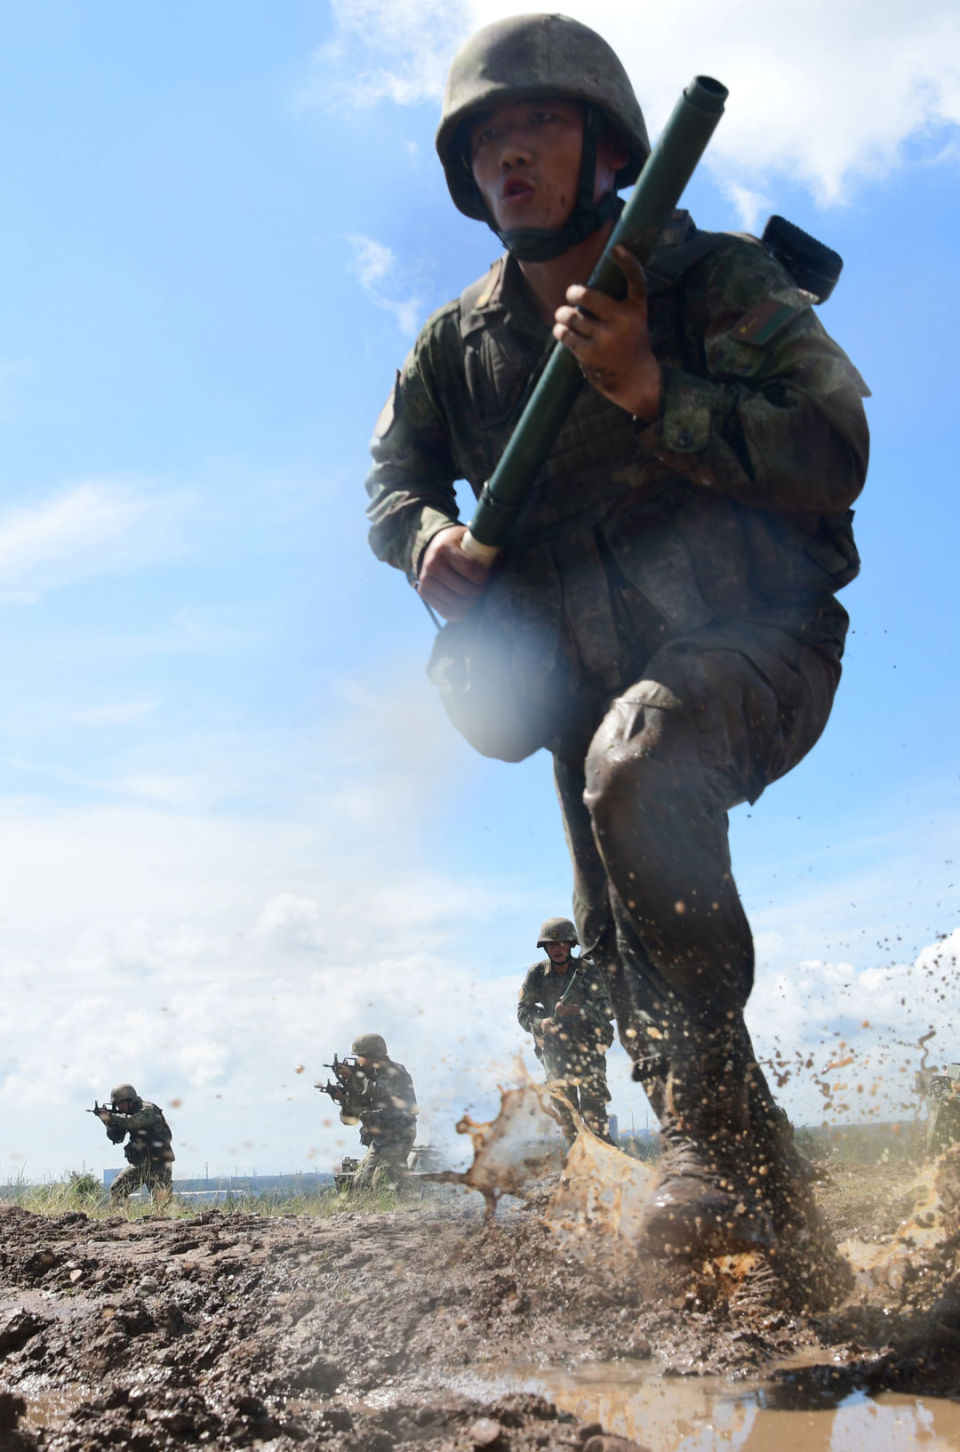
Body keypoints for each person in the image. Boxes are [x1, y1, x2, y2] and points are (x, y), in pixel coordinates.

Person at [365, 13, 868, 1286]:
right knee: (639, 964)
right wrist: (427, 543)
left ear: (605, 145)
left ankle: (698, 1144)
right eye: (482, 140)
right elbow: (390, 487)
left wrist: (652, 388)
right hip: (587, 693)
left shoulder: (716, 283)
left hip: (757, 647)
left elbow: (835, 447)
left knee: (637, 771)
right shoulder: (456, 350)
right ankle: (814, 1274)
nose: (505, 155)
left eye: (532, 123)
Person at [519, 916, 615, 1145]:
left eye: (563, 943)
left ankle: (609, 1163)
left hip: (589, 1047)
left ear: (572, 944)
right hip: (554, 1050)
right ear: (545, 947)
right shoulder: (537, 974)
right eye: (553, 944)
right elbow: (523, 1010)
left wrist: (579, 1010)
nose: (559, 948)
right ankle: (577, 1164)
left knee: (595, 1114)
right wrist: (541, 1023)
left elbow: (610, 1008)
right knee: (566, 1112)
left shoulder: (589, 972)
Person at [332, 1034, 418, 1191]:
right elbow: (365, 1102)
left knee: (385, 1180)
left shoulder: (394, 1073)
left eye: (361, 1058)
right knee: (362, 1180)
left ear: (373, 1056)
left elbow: (379, 1094)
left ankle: (411, 1207)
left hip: (399, 1133)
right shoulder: (374, 1075)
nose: (359, 1062)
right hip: (381, 1136)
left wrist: (353, 1077)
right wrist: (345, 1095)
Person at [93, 1083, 175, 1204]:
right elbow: (117, 1137)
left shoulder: (147, 1109)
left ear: (130, 1101)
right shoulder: (125, 1116)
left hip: (159, 1164)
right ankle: (121, 1219)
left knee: (162, 1203)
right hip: (140, 1163)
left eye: (121, 1104)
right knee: (117, 1189)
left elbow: (132, 1122)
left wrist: (112, 1117)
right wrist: (108, 1123)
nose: (119, 1108)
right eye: (117, 1105)